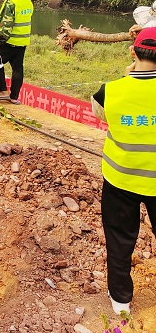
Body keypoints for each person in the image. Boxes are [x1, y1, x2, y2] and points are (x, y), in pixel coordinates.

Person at [90, 27, 156, 317]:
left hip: (120, 179)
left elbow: (99, 114)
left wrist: (129, 74)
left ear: (133, 52)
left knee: (119, 240)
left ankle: (121, 302)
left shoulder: (110, 90)